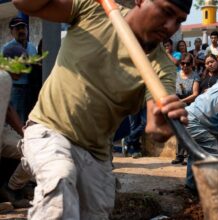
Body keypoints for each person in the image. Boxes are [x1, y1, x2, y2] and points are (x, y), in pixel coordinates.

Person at [12, 0, 190, 219]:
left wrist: (162, 124)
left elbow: (156, 129)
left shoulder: (162, 67)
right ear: (140, 1)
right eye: (166, 12)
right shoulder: (96, 9)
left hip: (96, 155)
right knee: (59, 182)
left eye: (179, 21)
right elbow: (25, 4)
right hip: (49, 130)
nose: (171, 26)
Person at [0, 45, 33, 209]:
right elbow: (8, 111)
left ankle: (13, 187)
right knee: (31, 150)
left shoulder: (6, 79)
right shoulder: (3, 77)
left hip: (2, 131)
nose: (24, 71)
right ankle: (11, 189)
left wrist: (24, 133)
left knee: (30, 149)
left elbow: (8, 110)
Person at [1, 17, 38, 123]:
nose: (21, 31)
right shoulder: (7, 49)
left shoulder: (32, 47)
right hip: (16, 90)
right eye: (17, 29)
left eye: (23, 28)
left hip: (31, 89)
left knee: (30, 119)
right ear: (12, 32)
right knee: (17, 120)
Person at [172, 54, 200, 165]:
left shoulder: (195, 76)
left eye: (187, 63)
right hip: (178, 106)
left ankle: (189, 156)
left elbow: (195, 94)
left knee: (189, 132)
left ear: (191, 64)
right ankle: (179, 156)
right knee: (178, 131)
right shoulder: (176, 75)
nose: (184, 66)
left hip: (190, 107)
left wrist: (182, 101)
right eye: (182, 63)